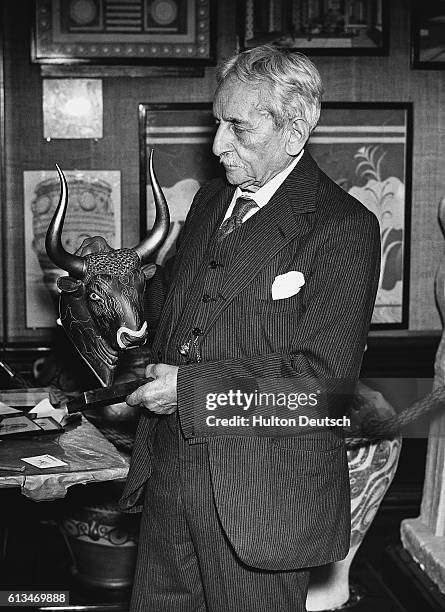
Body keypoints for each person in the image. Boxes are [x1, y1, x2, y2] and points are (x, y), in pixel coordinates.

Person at [120, 45, 381, 611]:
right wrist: (119, 304)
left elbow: (322, 388)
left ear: (296, 129)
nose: (217, 146)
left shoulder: (343, 227)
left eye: (238, 127)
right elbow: (170, 307)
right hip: (169, 487)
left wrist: (187, 391)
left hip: (261, 507)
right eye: (218, 123)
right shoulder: (213, 201)